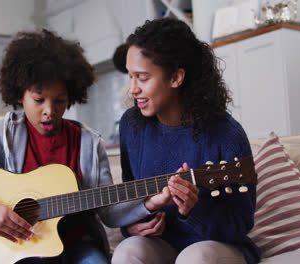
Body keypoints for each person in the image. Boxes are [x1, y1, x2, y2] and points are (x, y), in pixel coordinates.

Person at [0, 29, 151, 264]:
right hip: (23, 248)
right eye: (38, 99)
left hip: (79, 245)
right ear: (19, 95)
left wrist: (149, 203)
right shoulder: (3, 133)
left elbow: (109, 211)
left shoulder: (89, 143)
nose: (49, 110)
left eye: (60, 100)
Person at [111, 18, 261, 264]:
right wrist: (133, 227)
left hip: (216, 248)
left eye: (143, 77)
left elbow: (241, 223)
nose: (133, 89)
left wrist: (194, 209)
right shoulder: (132, 125)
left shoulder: (227, 135)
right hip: (163, 245)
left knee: (195, 258)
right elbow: (132, 197)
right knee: (127, 251)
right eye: (130, 77)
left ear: (176, 78)